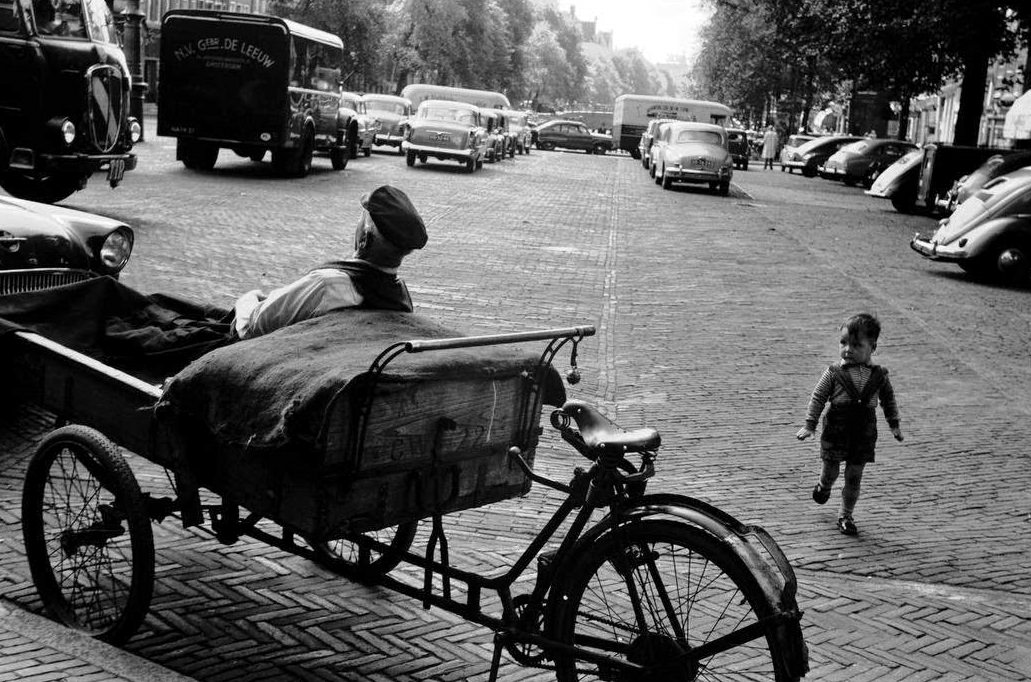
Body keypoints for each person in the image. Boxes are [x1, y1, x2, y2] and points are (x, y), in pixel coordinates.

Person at [233, 185, 427, 340]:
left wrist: (247, 298)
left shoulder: (329, 286)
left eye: (359, 223)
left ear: (364, 238)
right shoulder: (400, 297)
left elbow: (251, 328)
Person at [796, 313, 903, 536]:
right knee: (831, 470)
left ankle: (846, 515)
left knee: (854, 475)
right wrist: (810, 424)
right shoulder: (834, 373)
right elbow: (818, 397)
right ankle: (824, 486)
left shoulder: (879, 375)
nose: (847, 349)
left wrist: (894, 424)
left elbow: (888, 400)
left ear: (872, 347)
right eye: (843, 343)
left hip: (864, 431)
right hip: (837, 428)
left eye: (856, 345)